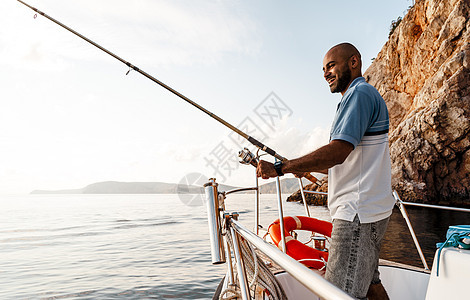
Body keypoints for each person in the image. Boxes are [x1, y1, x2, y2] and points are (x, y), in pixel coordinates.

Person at [256, 42, 395, 300]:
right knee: (370, 285)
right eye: (323, 69)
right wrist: (302, 166)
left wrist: (281, 168)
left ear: (354, 62)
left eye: (331, 65)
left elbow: (338, 150)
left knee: (334, 295)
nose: (325, 73)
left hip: (356, 213)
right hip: (371, 210)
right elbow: (348, 158)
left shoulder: (359, 95)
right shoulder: (359, 97)